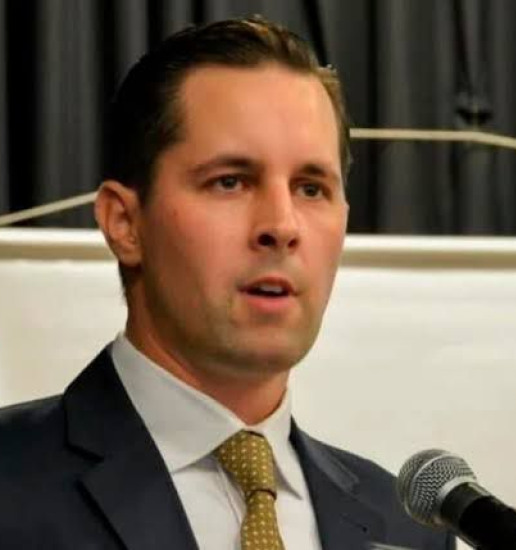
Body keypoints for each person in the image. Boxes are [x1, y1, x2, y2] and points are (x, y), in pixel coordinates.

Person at [0, 16, 454, 550]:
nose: (282, 225)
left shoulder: (408, 529)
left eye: (311, 188)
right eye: (230, 182)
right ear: (124, 222)